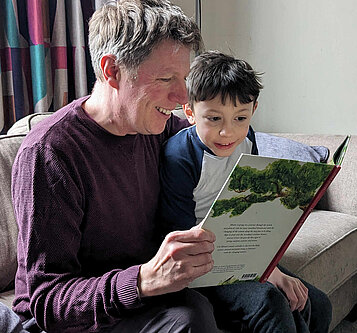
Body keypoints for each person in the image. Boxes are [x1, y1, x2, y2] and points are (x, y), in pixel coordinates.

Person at [11, 1, 220, 332]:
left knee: (290, 298)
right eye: (166, 78)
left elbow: (219, 146)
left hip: (146, 292)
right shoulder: (51, 153)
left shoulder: (160, 128)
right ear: (112, 70)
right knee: (190, 318)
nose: (182, 96)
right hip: (77, 317)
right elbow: (47, 299)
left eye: (184, 79)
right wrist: (141, 280)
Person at [158, 51, 332, 332]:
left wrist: (269, 263)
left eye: (240, 118)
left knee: (317, 304)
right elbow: (178, 236)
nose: (228, 132)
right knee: (269, 301)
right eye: (214, 119)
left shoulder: (247, 138)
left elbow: (251, 202)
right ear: (189, 112)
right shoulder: (181, 156)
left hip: (243, 249)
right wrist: (267, 273)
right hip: (201, 264)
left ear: (254, 110)